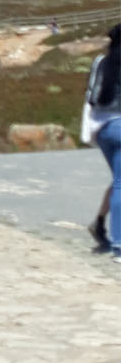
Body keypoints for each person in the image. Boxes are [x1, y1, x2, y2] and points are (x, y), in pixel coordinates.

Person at [81, 24, 121, 259]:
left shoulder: (100, 63)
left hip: (102, 127)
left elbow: (92, 97)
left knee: (118, 180)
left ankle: (99, 222)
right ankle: (118, 244)